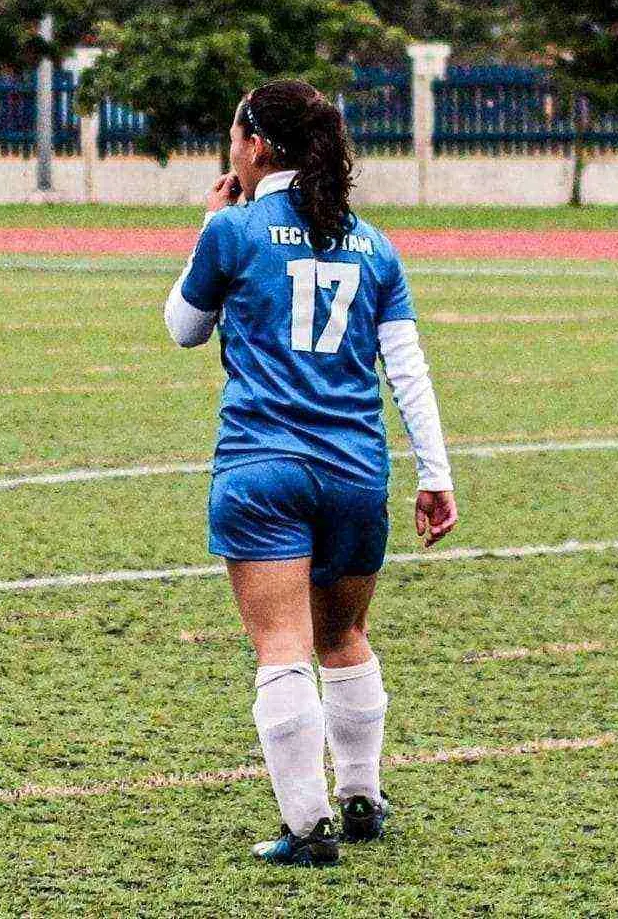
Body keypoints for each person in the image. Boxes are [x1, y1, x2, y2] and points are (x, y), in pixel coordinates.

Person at [163, 79, 457, 867]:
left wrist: (209, 224)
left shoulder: (234, 230)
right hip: (355, 471)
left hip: (261, 467)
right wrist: (435, 472)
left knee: (281, 646)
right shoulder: (374, 244)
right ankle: (361, 794)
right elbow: (407, 368)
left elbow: (184, 328)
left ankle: (307, 824)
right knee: (345, 636)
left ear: (256, 147)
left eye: (235, 135)